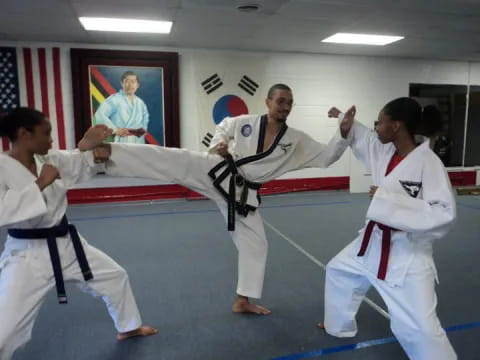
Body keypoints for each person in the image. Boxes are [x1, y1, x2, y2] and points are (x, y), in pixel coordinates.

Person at [94, 84, 352, 315]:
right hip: (218, 170)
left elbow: (326, 156)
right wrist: (218, 145)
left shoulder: (296, 140)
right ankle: (108, 155)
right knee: (173, 159)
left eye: (289, 102)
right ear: (268, 102)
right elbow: (225, 126)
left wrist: (341, 131)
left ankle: (242, 300)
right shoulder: (246, 122)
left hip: (243, 195)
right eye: (280, 101)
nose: (285, 106)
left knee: (257, 245)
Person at [0, 108, 157, 360]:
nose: (51, 140)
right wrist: (39, 184)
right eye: (47, 133)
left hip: (67, 244)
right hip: (27, 257)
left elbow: (76, 160)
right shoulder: (2, 167)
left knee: (115, 277)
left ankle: (128, 327)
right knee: (4, 330)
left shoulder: (48, 159)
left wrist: (90, 149)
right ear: (23, 134)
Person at [321, 98, 457, 360]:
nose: (376, 128)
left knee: (421, 329)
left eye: (380, 123)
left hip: (406, 254)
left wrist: (387, 200)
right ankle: (338, 326)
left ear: (395, 126)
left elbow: (444, 214)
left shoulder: (428, 163)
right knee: (338, 271)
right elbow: (361, 134)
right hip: (373, 241)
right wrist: (341, 118)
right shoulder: (385, 151)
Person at [94, 71, 149, 144]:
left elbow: (145, 120)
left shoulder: (140, 103)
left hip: (139, 141)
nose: (129, 85)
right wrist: (115, 130)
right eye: (126, 81)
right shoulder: (114, 99)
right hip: (121, 140)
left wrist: (142, 131)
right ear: (122, 83)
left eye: (133, 82)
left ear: (137, 85)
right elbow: (99, 114)